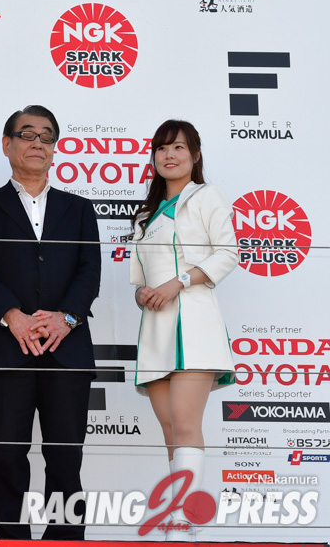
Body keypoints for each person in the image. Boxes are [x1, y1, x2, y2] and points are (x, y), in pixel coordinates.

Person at [0, 105, 100, 539]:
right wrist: (12, 316)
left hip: (66, 349)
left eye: (46, 136)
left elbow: (89, 272)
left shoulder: (79, 209)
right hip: (7, 348)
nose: (38, 143)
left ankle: (65, 541)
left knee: (66, 459)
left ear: (54, 148)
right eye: (27, 134)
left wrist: (66, 319)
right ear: (7, 144)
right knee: (7, 456)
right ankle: (12, 540)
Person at [130, 120, 237, 540]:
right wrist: (142, 293)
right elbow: (139, 278)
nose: (169, 155)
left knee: (186, 423)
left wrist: (181, 281)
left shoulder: (207, 196)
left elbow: (228, 252)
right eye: (161, 148)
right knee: (171, 431)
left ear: (195, 155)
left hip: (195, 323)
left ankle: (182, 520)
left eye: (178, 147)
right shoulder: (145, 214)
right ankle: (179, 517)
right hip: (156, 328)